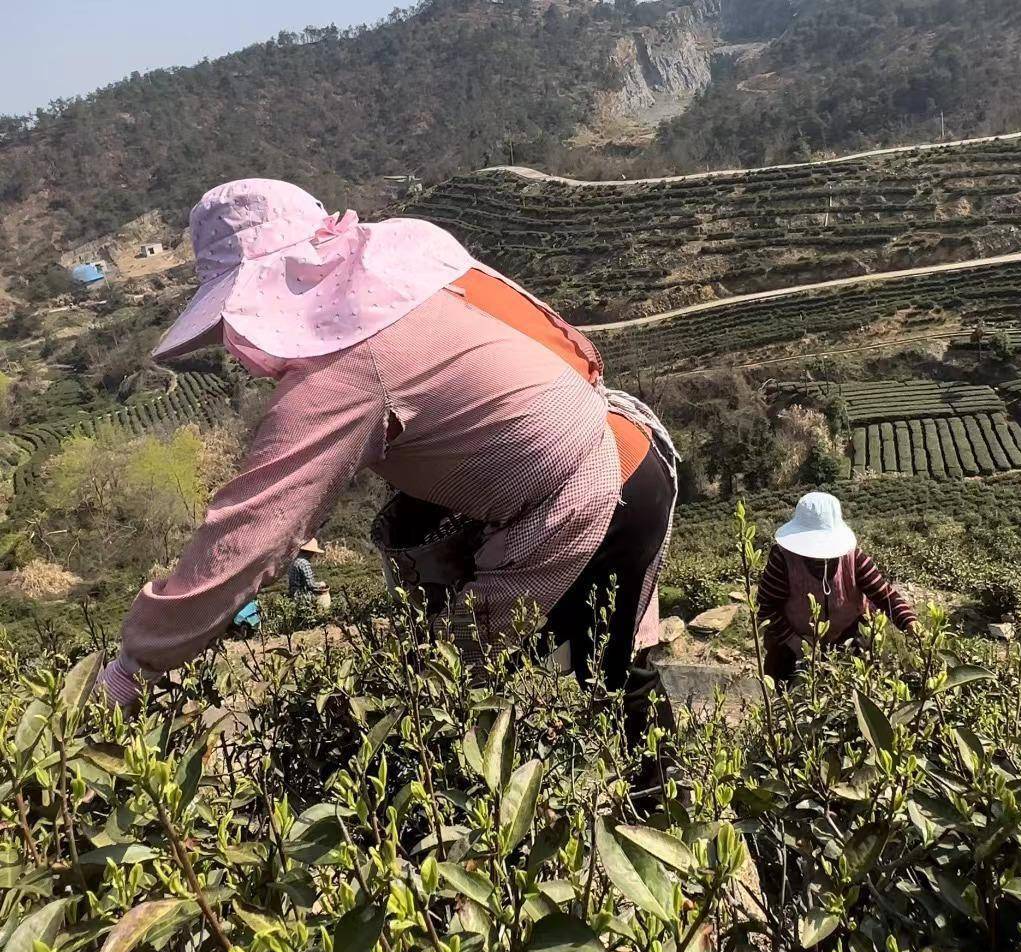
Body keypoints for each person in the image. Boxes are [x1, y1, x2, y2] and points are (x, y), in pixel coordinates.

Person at [96, 179, 677, 726]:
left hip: (588, 500)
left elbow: (254, 532)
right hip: (631, 461)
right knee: (618, 679)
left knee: (486, 700)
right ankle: (663, 811)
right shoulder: (417, 288)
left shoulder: (348, 370)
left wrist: (133, 666)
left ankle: (627, 819)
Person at [756, 492, 917, 683]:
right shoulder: (783, 559)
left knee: (858, 687)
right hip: (794, 637)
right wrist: (797, 644)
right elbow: (767, 607)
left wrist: (910, 622)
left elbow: (884, 596)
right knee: (787, 690)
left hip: (849, 634)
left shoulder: (853, 557)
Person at [288, 539, 330, 610]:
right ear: (310, 552)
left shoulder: (295, 561)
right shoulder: (304, 563)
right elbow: (310, 585)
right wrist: (320, 584)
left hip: (293, 594)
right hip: (302, 596)